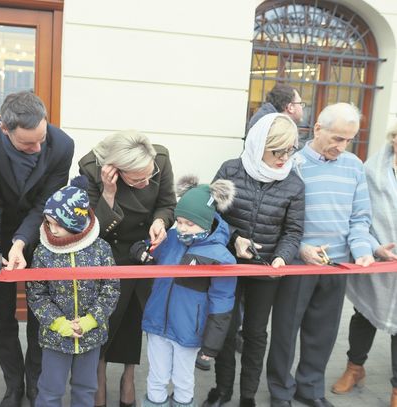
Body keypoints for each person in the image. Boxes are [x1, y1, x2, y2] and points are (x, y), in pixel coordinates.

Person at [265, 103, 388, 407]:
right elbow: (277, 218)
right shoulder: (291, 164)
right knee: (284, 333)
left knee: (322, 335)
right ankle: (280, 393)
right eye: (336, 138)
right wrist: (301, 248)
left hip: (337, 266)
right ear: (317, 128)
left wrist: (364, 250)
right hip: (297, 263)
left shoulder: (355, 167)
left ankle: (310, 390)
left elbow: (360, 219)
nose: (341, 146)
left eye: (348, 140)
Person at [0, 91, 74, 407]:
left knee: (40, 313)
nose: (36, 148)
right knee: (2, 314)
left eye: (41, 139)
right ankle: (13, 385)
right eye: (27, 144)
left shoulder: (62, 145)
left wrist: (21, 242)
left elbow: (46, 202)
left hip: (40, 234)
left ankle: (35, 383)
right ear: (4, 129)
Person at [201, 113, 305, 407]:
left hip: (267, 269)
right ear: (260, 144)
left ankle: (248, 396)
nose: (285, 158)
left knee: (256, 334)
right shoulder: (231, 170)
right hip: (229, 265)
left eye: (290, 150)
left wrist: (283, 257)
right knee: (225, 327)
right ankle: (222, 391)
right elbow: (210, 216)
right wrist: (235, 238)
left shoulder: (294, 184)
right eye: (277, 151)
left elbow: (293, 230)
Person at [78, 130, 176, 406]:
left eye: (149, 175)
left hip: (145, 249)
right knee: (108, 317)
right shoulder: (90, 168)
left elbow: (168, 204)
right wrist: (109, 194)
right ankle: (98, 372)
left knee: (135, 315)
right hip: (110, 251)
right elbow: (92, 229)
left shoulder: (161, 159)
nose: (146, 182)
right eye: (137, 179)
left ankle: (128, 376)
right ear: (115, 171)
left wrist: (160, 222)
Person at [132, 176, 237, 407]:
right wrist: (141, 250)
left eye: (190, 224)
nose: (182, 228)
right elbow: (148, 251)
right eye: (179, 221)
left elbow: (222, 301)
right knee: (156, 378)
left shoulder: (220, 257)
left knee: (183, 380)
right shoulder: (171, 238)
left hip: (189, 331)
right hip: (157, 323)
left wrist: (211, 343)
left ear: (206, 222)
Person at [26, 176, 120, 407]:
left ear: (76, 223)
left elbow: (111, 288)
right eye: (48, 222)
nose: (52, 229)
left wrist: (91, 321)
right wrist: (58, 323)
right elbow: (36, 293)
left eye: (59, 224)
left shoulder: (101, 250)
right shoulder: (42, 252)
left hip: (91, 336)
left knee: (86, 389)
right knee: (49, 390)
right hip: (55, 337)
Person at [331, 122, 397, 406]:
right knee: (364, 314)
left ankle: (396, 388)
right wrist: (372, 245)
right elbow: (360, 212)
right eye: (395, 136)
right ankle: (354, 368)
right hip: (377, 254)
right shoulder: (373, 170)